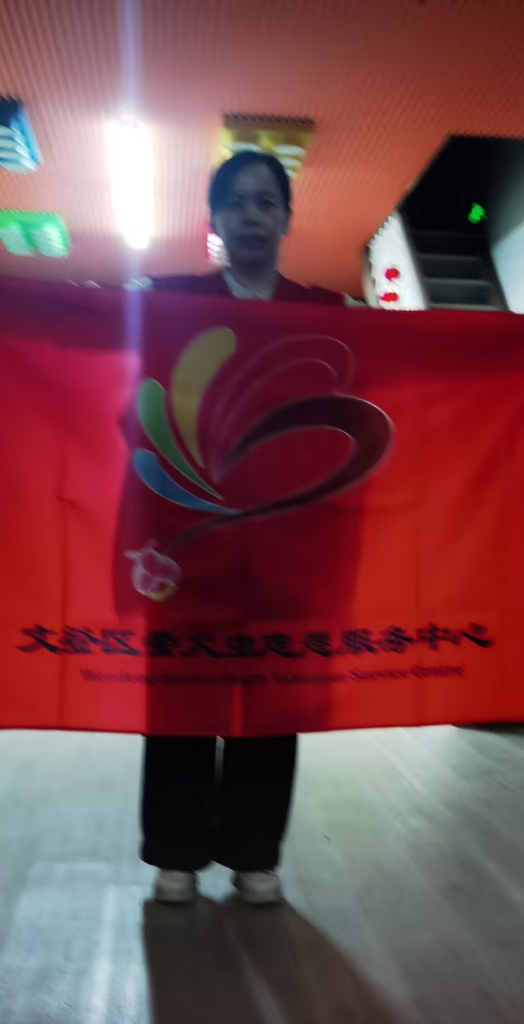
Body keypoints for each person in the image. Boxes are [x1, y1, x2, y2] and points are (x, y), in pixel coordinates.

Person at [140, 150, 349, 907]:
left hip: (287, 543)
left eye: (267, 202)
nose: (252, 216)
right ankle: (176, 852)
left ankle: (254, 851)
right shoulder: (170, 303)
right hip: (186, 535)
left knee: (271, 700)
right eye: (237, 202)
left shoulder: (325, 312)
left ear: (287, 219)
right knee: (181, 695)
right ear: (215, 220)